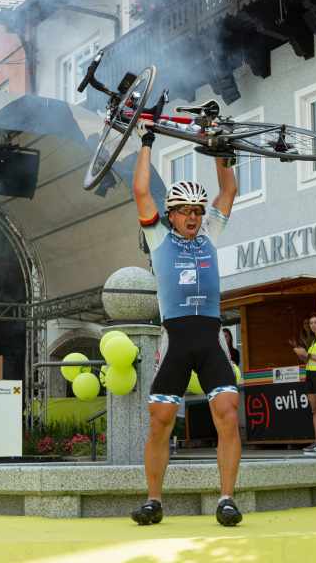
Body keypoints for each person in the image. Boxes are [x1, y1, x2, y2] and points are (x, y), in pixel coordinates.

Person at [129, 119, 242, 527]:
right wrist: (146, 140)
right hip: (175, 339)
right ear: (172, 215)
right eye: (185, 212)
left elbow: (228, 190)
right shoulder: (159, 238)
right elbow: (141, 190)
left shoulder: (211, 233)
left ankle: (226, 498)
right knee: (160, 422)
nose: (194, 217)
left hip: (209, 337)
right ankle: (154, 500)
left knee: (227, 413)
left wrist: (220, 148)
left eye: (197, 211)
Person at [292, 313, 316, 454]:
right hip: (310, 375)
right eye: (311, 323)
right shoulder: (313, 341)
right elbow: (308, 360)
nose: (313, 325)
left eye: (315, 322)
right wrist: (301, 355)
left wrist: (307, 355)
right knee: (314, 410)